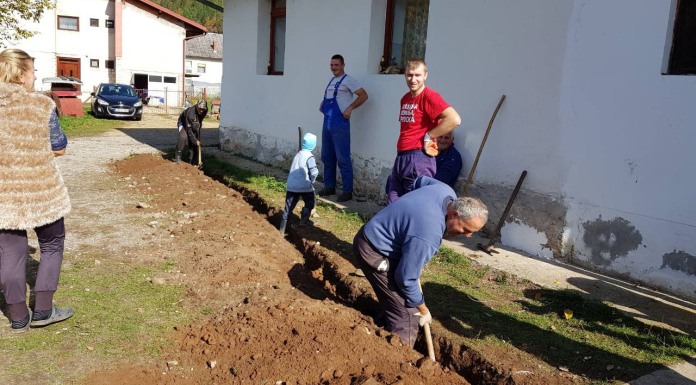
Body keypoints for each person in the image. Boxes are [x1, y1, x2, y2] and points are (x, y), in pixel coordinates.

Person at [354, 176, 487, 347]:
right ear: (454, 214)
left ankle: (383, 322)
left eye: (473, 232)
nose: (468, 236)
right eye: (466, 229)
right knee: (408, 315)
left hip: (382, 236)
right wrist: (423, 309)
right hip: (373, 250)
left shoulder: (445, 191)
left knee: (398, 299)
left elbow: (419, 181)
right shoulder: (428, 233)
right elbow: (406, 278)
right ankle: (399, 357)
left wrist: (407, 212)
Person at [0, 48, 73, 333]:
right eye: (33, 71)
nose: (35, 77)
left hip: (4, 194)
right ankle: (43, 311)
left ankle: (18, 317)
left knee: (10, 251)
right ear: (20, 74)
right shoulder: (42, 106)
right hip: (43, 191)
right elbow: (60, 147)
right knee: (52, 244)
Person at [386, 58, 461, 204]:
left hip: (419, 158)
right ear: (405, 75)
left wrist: (429, 135)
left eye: (417, 75)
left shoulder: (430, 96)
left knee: (415, 204)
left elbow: (454, 119)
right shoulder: (405, 99)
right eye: (409, 75)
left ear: (425, 75)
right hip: (402, 156)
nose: (413, 79)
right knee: (393, 202)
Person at [318, 54, 368, 202]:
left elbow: (364, 95)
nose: (334, 68)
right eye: (332, 65)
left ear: (343, 65)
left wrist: (350, 108)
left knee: (343, 157)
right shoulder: (332, 80)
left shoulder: (349, 80)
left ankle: (347, 191)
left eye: (336, 65)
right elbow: (331, 97)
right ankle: (329, 187)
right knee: (327, 156)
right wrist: (323, 104)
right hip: (327, 122)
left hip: (340, 123)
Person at [279, 133, 319, 235]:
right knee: (310, 201)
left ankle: (282, 229)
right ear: (313, 145)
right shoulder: (310, 157)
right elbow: (314, 172)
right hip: (304, 186)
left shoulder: (298, 154)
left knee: (288, 207)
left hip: (291, 185)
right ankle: (303, 221)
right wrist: (312, 180)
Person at [176, 99, 208, 165]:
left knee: (195, 142)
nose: (201, 110)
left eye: (203, 109)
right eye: (200, 109)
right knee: (183, 137)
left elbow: (200, 121)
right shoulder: (190, 113)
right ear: (197, 106)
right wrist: (195, 140)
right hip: (183, 123)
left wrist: (197, 139)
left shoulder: (204, 111)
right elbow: (189, 130)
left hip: (194, 123)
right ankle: (178, 156)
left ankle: (192, 160)